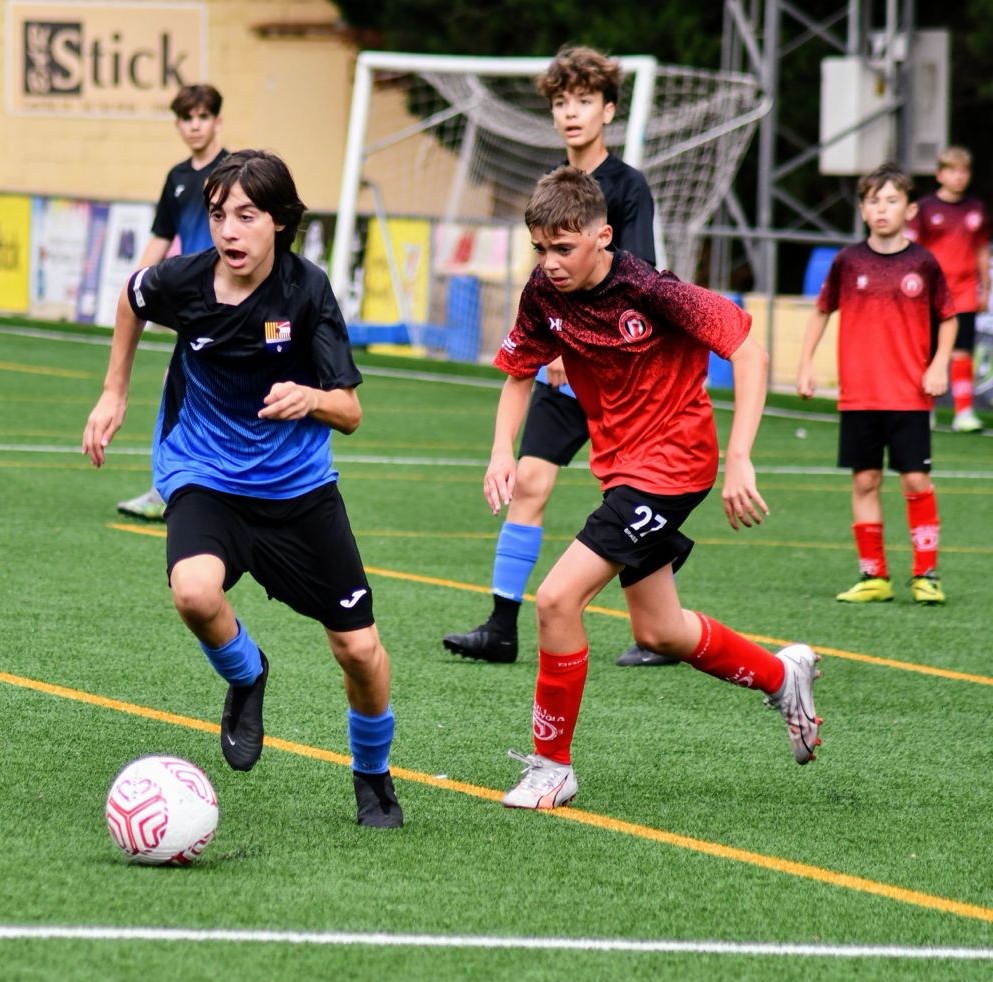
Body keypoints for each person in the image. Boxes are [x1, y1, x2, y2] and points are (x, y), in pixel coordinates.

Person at [82, 149, 403, 827]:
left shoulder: (306, 292)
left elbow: (350, 412)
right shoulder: (184, 281)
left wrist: (309, 398)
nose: (229, 230)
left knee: (358, 651)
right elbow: (132, 297)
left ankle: (373, 776)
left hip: (297, 492)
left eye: (247, 216)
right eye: (219, 214)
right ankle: (246, 672)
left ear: (279, 221)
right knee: (195, 592)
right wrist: (114, 392)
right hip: (206, 475)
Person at [486, 167, 821, 809]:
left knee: (556, 600)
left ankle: (552, 767)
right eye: (540, 248)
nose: (550, 262)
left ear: (603, 236)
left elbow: (748, 351)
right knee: (660, 631)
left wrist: (741, 458)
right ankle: (783, 676)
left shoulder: (652, 290)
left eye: (564, 247)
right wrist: (503, 449)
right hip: (622, 471)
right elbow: (519, 370)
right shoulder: (543, 293)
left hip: (674, 467)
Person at [441, 45, 672, 669]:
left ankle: (660, 627)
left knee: (635, 495)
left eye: (584, 101)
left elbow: (641, 276)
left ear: (609, 110)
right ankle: (501, 626)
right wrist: (551, 341)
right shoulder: (552, 185)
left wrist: (585, 341)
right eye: (561, 102)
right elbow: (545, 278)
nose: (571, 112)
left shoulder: (628, 187)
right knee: (530, 482)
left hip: (623, 378)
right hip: (561, 373)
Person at [798, 164, 956, 605]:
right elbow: (821, 311)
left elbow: (948, 317)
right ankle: (874, 576)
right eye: (873, 201)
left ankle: (926, 574)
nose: (882, 209)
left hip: (909, 394)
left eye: (891, 201)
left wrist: (939, 364)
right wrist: (806, 363)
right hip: (859, 395)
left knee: (915, 480)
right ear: (863, 210)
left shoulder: (923, 263)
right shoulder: (848, 261)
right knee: (865, 480)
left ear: (910, 209)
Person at [116, 83, 229, 522]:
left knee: (189, 384)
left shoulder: (232, 173)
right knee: (182, 385)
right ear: (178, 124)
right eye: (187, 118)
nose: (195, 125)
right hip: (192, 300)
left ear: (218, 121)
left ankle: (178, 488)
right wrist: (135, 286)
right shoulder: (178, 178)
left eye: (203, 117)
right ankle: (176, 486)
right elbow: (162, 236)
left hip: (227, 297)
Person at [906, 145, 989, 433]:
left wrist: (985, 288)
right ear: (940, 174)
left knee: (962, 350)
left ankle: (963, 412)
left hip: (964, 291)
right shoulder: (925, 208)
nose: (959, 176)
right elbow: (911, 250)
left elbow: (981, 250)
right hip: (930, 291)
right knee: (926, 351)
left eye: (964, 171)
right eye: (952, 170)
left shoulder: (976, 208)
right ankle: (924, 409)